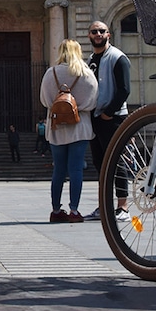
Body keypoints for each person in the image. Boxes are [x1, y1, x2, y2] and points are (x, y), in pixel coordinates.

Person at [40, 39, 98, 222]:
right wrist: (78, 107)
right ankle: (74, 210)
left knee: (58, 170)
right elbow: (93, 101)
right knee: (76, 169)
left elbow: (45, 100)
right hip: (79, 127)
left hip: (56, 127)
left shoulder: (51, 73)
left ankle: (56, 210)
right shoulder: (86, 74)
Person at [84, 22, 131, 220]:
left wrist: (109, 112)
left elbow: (124, 89)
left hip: (112, 117)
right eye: (94, 31)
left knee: (116, 160)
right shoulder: (91, 59)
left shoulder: (118, 58)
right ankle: (104, 206)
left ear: (108, 34)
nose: (98, 34)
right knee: (100, 163)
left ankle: (123, 207)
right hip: (95, 117)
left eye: (102, 31)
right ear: (89, 35)